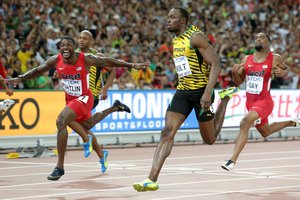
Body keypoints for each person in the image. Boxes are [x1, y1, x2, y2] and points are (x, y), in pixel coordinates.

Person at [6, 35, 148, 180]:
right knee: (88, 124)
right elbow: (38, 70)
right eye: (62, 45)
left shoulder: (85, 58)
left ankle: (60, 167)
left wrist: (130, 65)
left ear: (74, 48)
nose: (65, 47)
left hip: (85, 97)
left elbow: (107, 62)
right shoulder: (56, 59)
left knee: (61, 120)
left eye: (68, 45)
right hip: (70, 99)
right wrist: (21, 78)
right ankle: (115, 108)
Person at [133, 7, 240, 192]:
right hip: (182, 92)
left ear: (183, 21)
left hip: (201, 92)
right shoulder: (175, 40)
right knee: (167, 132)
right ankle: (151, 179)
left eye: (172, 17)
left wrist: (208, 93)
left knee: (210, 139)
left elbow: (216, 63)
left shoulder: (195, 37)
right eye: (168, 17)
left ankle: (224, 100)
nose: (168, 20)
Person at [55, 30, 129, 178]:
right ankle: (102, 153)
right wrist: (58, 73)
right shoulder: (71, 54)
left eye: (85, 38)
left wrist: (105, 89)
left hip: (91, 95)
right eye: (80, 38)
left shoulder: (97, 56)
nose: (81, 40)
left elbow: (112, 72)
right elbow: (61, 68)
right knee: (86, 126)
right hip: (75, 96)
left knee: (68, 120)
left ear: (91, 41)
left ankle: (88, 140)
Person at [221, 32, 300, 171]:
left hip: (265, 102)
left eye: (261, 37)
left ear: (268, 42)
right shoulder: (246, 59)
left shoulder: (274, 58)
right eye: (256, 37)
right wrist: (234, 73)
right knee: (266, 132)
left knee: (244, 123)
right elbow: (238, 82)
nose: (258, 39)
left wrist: (283, 73)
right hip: (250, 102)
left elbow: (285, 69)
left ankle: (232, 160)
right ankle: (291, 122)